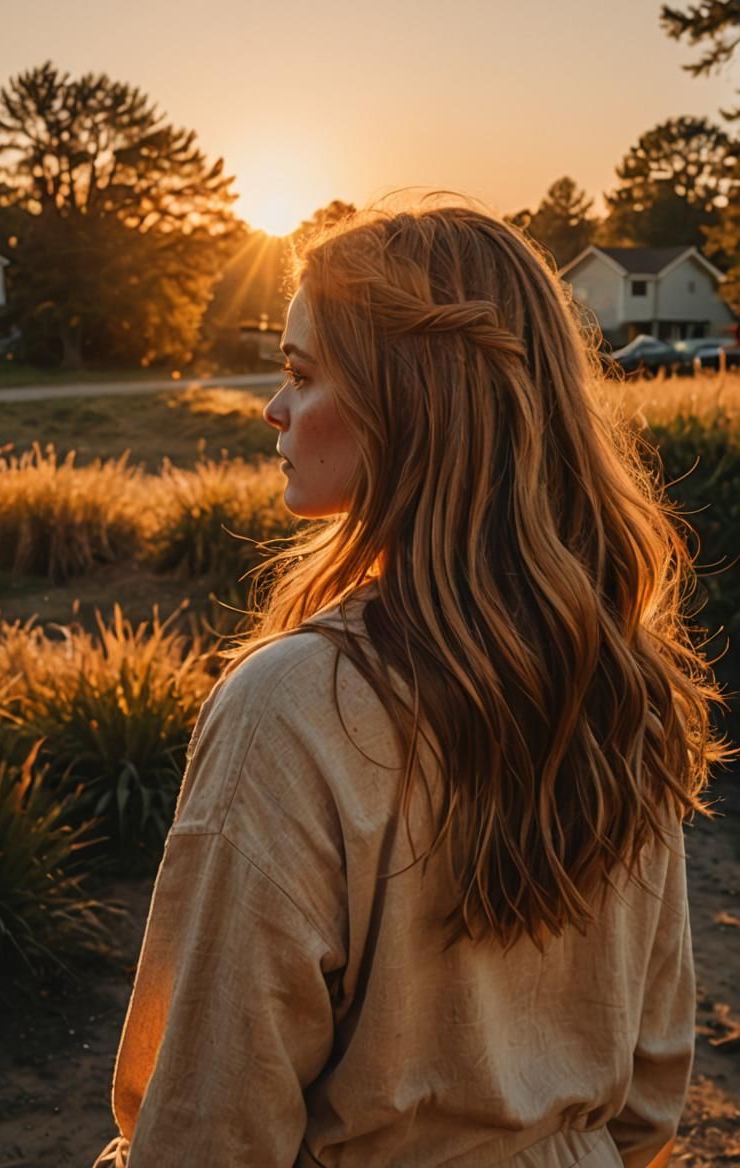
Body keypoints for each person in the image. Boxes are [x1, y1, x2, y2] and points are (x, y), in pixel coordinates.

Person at [93, 198, 733, 1168]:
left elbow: (208, 1127)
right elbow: (651, 1091)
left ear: (412, 403)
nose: (273, 408)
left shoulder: (294, 707)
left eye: (303, 374)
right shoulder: (625, 681)